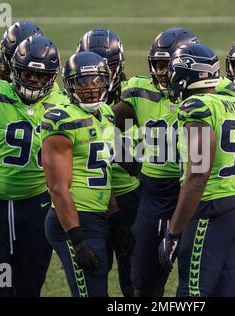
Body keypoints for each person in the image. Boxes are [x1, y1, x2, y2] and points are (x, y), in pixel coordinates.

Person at [0, 35, 66, 296]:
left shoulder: (61, 103)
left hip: (37, 204)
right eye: (28, 75)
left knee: (29, 287)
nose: (35, 81)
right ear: (14, 71)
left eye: (42, 76)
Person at [158, 43, 235, 297]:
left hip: (210, 210)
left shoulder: (197, 107)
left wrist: (174, 232)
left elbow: (198, 175)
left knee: (192, 294)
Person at [113, 27, 198, 297]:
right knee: (145, 284)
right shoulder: (138, 91)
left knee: (196, 283)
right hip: (154, 196)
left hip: (197, 193)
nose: (161, 72)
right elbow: (107, 127)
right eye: (158, 64)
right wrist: (135, 165)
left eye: (168, 65)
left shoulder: (207, 93)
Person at [41, 51, 133, 297]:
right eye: (82, 82)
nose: (91, 88)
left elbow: (104, 171)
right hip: (75, 218)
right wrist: (77, 237)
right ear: (70, 85)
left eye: (97, 81)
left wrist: (115, 217)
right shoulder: (62, 120)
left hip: (98, 216)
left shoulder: (106, 114)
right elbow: (58, 188)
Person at [76, 28, 140, 297]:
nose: (100, 75)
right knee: (94, 277)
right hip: (90, 200)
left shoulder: (137, 94)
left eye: (108, 67)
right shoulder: (70, 102)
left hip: (131, 196)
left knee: (133, 278)